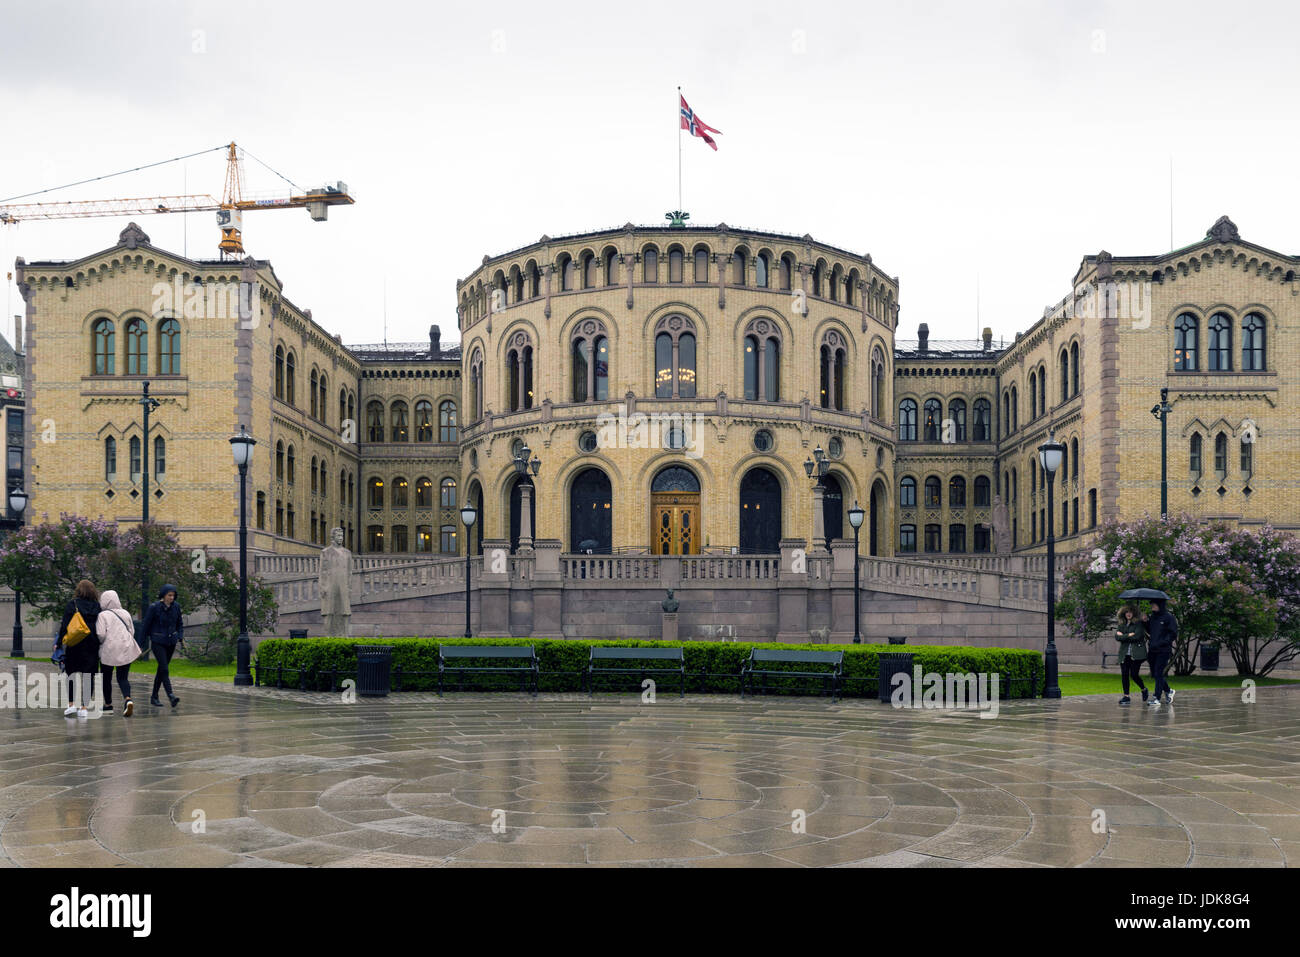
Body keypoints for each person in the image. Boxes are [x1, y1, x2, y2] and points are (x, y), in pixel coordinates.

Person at [56, 580, 101, 719]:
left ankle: (71, 705)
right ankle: (84, 707)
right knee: (89, 676)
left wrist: (58, 643)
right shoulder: (97, 607)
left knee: (71, 675)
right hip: (92, 644)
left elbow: (65, 625)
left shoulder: (73, 604)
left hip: (75, 644)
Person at [95, 590, 141, 717]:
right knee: (123, 677)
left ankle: (108, 705)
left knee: (106, 678)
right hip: (125, 648)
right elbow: (131, 631)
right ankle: (128, 699)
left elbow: (100, 634)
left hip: (109, 649)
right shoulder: (125, 613)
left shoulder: (102, 615)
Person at [141, 583, 184, 708]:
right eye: (169, 595)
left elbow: (179, 623)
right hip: (158, 642)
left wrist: (180, 636)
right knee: (164, 669)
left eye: (173, 595)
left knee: (161, 670)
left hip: (171, 642)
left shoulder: (176, 607)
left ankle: (154, 696)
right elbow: (145, 626)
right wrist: (141, 644)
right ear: (163, 595)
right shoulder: (154, 607)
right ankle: (171, 695)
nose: (171, 598)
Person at [1145, 597, 1179, 708]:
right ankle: (1169, 691)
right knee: (1155, 674)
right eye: (1152, 605)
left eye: (1154, 604)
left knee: (1159, 673)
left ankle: (1157, 698)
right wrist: (1145, 622)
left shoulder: (1169, 617)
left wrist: (1164, 642)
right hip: (1152, 650)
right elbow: (1150, 630)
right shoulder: (1153, 617)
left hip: (1163, 650)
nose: (1152, 607)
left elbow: (1173, 633)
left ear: (1160, 605)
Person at [1113, 603, 1149, 706]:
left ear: (1134, 613)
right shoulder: (1122, 624)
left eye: (1130, 612)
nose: (1128, 614)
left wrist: (1123, 636)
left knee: (1134, 674)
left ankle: (1143, 689)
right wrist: (1128, 634)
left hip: (1136, 654)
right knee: (1124, 674)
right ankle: (1126, 696)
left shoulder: (1138, 624)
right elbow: (1117, 637)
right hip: (1124, 654)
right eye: (1126, 612)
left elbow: (1136, 636)